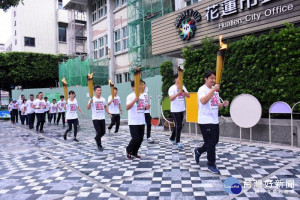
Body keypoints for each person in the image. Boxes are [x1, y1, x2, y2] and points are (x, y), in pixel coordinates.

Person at [194, 71, 229, 174]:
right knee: (210, 143)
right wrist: (213, 89)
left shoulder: (216, 92)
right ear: (206, 79)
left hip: (214, 120)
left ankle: (199, 151)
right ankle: (211, 164)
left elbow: (215, 104)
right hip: (205, 121)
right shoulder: (202, 89)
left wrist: (222, 104)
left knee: (214, 142)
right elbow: (203, 101)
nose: (213, 80)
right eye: (211, 78)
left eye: (214, 79)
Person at [125, 80, 150, 160]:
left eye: (140, 85)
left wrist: (147, 107)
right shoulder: (130, 96)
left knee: (141, 138)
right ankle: (128, 150)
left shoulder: (142, 96)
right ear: (133, 87)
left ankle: (135, 152)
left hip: (141, 121)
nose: (140, 86)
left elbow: (144, 108)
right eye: (137, 85)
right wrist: (134, 100)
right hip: (133, 121)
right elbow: (127, 107)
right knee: (135, 138)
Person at [168, 73, 190, 149]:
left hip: (181, 109)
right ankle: (177, 141)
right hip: (175, 110)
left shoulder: (183, 87)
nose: (180, 79)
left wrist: (183, 91)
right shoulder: (172, 88)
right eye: (179, 78)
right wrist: (178, 93)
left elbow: (188, 95)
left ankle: (172, 138)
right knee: (179, 125)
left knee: (178, 125)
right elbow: (171, 98)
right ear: (175, 79)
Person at [87, 85, 112, 151]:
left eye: (100, 90)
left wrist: (109, 113)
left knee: (103, 132)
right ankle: (99, 145)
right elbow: (88, 108)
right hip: (95, 118)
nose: (100, 91)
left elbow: (105, 107)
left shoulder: (103, 99)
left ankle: (96, 138)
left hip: (102, 118)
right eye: (98, 90)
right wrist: (90, 102)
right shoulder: (92, 99)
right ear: (95, 91)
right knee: (98, 131)